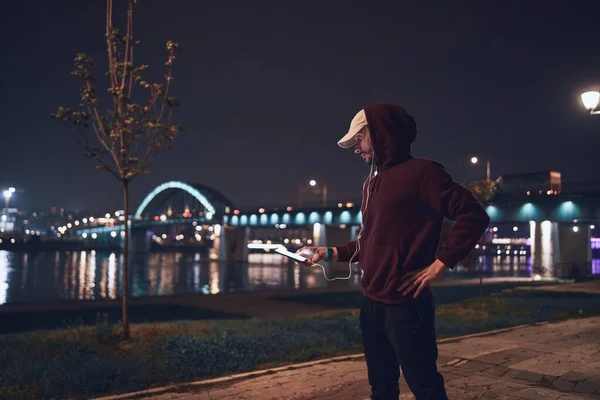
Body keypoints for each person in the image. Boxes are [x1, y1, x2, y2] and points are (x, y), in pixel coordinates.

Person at [297, 103, 490, 400]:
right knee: (381, 389)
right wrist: (326, 252)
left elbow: (473, 215)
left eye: (358, 139)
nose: (355, 149)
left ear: (379, 133)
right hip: (372, 304)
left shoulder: (423, 172)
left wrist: (441, 263)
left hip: (406, 304)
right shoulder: (372, 184)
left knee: (425, 387)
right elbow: (369, 241)